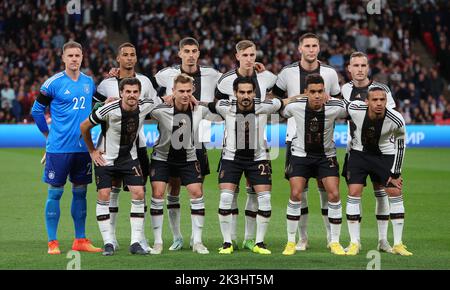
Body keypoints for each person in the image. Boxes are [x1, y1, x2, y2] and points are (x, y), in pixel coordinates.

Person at [31, 41, 101, 255]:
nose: (74, 59)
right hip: (59, 149)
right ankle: (52, 242)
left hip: (82, 148)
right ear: (63, 58)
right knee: (55, 194)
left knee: (81, 193)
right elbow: (36, 111)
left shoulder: (89, 82)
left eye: (77, 55)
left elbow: (95, 108)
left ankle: (80, 239)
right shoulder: (53, 83)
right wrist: (48, 136)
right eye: (70, 55)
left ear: (82, 57)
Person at [272, 32, 341, 251]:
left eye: (314, 46)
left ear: (319, 48)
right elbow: (274, 101)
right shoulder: (287, 73)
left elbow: (339, 101)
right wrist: (294, 99)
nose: (311, 49)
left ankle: (332, 238)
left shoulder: (329, 73)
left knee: (326, 190)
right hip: (295, 139)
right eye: (307, 46)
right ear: (300, 48)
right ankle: (301, 238)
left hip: (324, 142)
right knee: (298, 192)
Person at [154, 37, 222, 251]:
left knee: (196, 190)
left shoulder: (212, 75)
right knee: (172, 189)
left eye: (194, 51)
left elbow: (233, 86)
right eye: (187, 51)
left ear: (199, 53)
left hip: (197, 144)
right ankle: (176, 237)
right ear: (180, 53)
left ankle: (196, 239)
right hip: (167, 148)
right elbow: (145, 94)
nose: (191, 54)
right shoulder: (165, 75)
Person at [93, 42, 159, 252]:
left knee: (139, 191)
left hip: (136, 144)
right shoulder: (106, 85)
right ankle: (110, 238)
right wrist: (105, 105)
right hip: (111, 146)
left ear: (136, 58)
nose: (129, 58)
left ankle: (139, 238)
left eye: (133, 54)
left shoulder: (145, 82)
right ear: (118, 59)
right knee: (111, 190)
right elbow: (93, 109)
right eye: (125, 55)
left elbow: (153, 107)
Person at [80, 77, 157, 256]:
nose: (131, 95)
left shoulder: (145, 105)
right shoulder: (109, 109)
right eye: (128, 92)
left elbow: (165, 102)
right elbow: (84, 127)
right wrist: (92, 151)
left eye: (135, 92)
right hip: (105, 158)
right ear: (121, 93)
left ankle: (136, 242)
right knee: (104, 195)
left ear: (139, 93)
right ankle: (108, 242)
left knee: (139, 193)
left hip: (129, 158)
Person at [215, 40, 277, 251]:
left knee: (259, 197)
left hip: (258, 149)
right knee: (227, 196)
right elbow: (215, 104)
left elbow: (281, 98)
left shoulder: (267, 77)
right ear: (237, 56)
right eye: (246, 55)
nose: (250, 59)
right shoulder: (225, 81)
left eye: (253, 55)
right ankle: (228, 240)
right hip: (232, 149)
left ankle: (253, 240)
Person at [280, 74, 347, 256]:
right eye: (313, 92)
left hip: (326, 156)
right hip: (300, 155)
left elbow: (352, 111)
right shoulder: (296, 107)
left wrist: (333, 98)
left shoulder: (335, 108)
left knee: (334, 194)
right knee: (296, 194)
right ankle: (292, 241)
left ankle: (334, 241)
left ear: (324, 91)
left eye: (320, 91)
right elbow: (281, 110)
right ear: (306, 92)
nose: (317, 95)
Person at [344, 87, 412, 256]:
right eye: (375, 100)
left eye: (382, 100)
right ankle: (354, 243)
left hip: (384, 154)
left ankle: (396, 243)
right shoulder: (355, 108)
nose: (379, 103)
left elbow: (401, 145)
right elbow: (340, 105)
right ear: (367, 101)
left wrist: (395, 174)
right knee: (354, 192)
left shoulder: (396, 119)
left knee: (395, 191)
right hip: (359, 153)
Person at [147, 73, 210, 255]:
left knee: (197, 193)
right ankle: (161, 241)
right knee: (158, 194)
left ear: (193, 91)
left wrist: (200, 102)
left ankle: (197, 241)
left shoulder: (200, 110)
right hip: (162, 158)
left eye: (188, 91)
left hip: (188, 159)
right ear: (173, 91)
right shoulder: (160, 110)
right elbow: (140, 107)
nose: (184, 94)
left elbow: (217, 108)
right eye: (180, 91)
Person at [341, 51, 396, 252]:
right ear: (349, 68)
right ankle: (355, 242)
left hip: (381, 151)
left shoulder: (382, 90)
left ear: (368, 67)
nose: (360, 69)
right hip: (355, 150)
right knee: (354, 193)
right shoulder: (344, 90)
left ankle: (383, 240)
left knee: (381, 193)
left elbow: (390, 117)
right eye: (356, 66)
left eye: (363, 66)